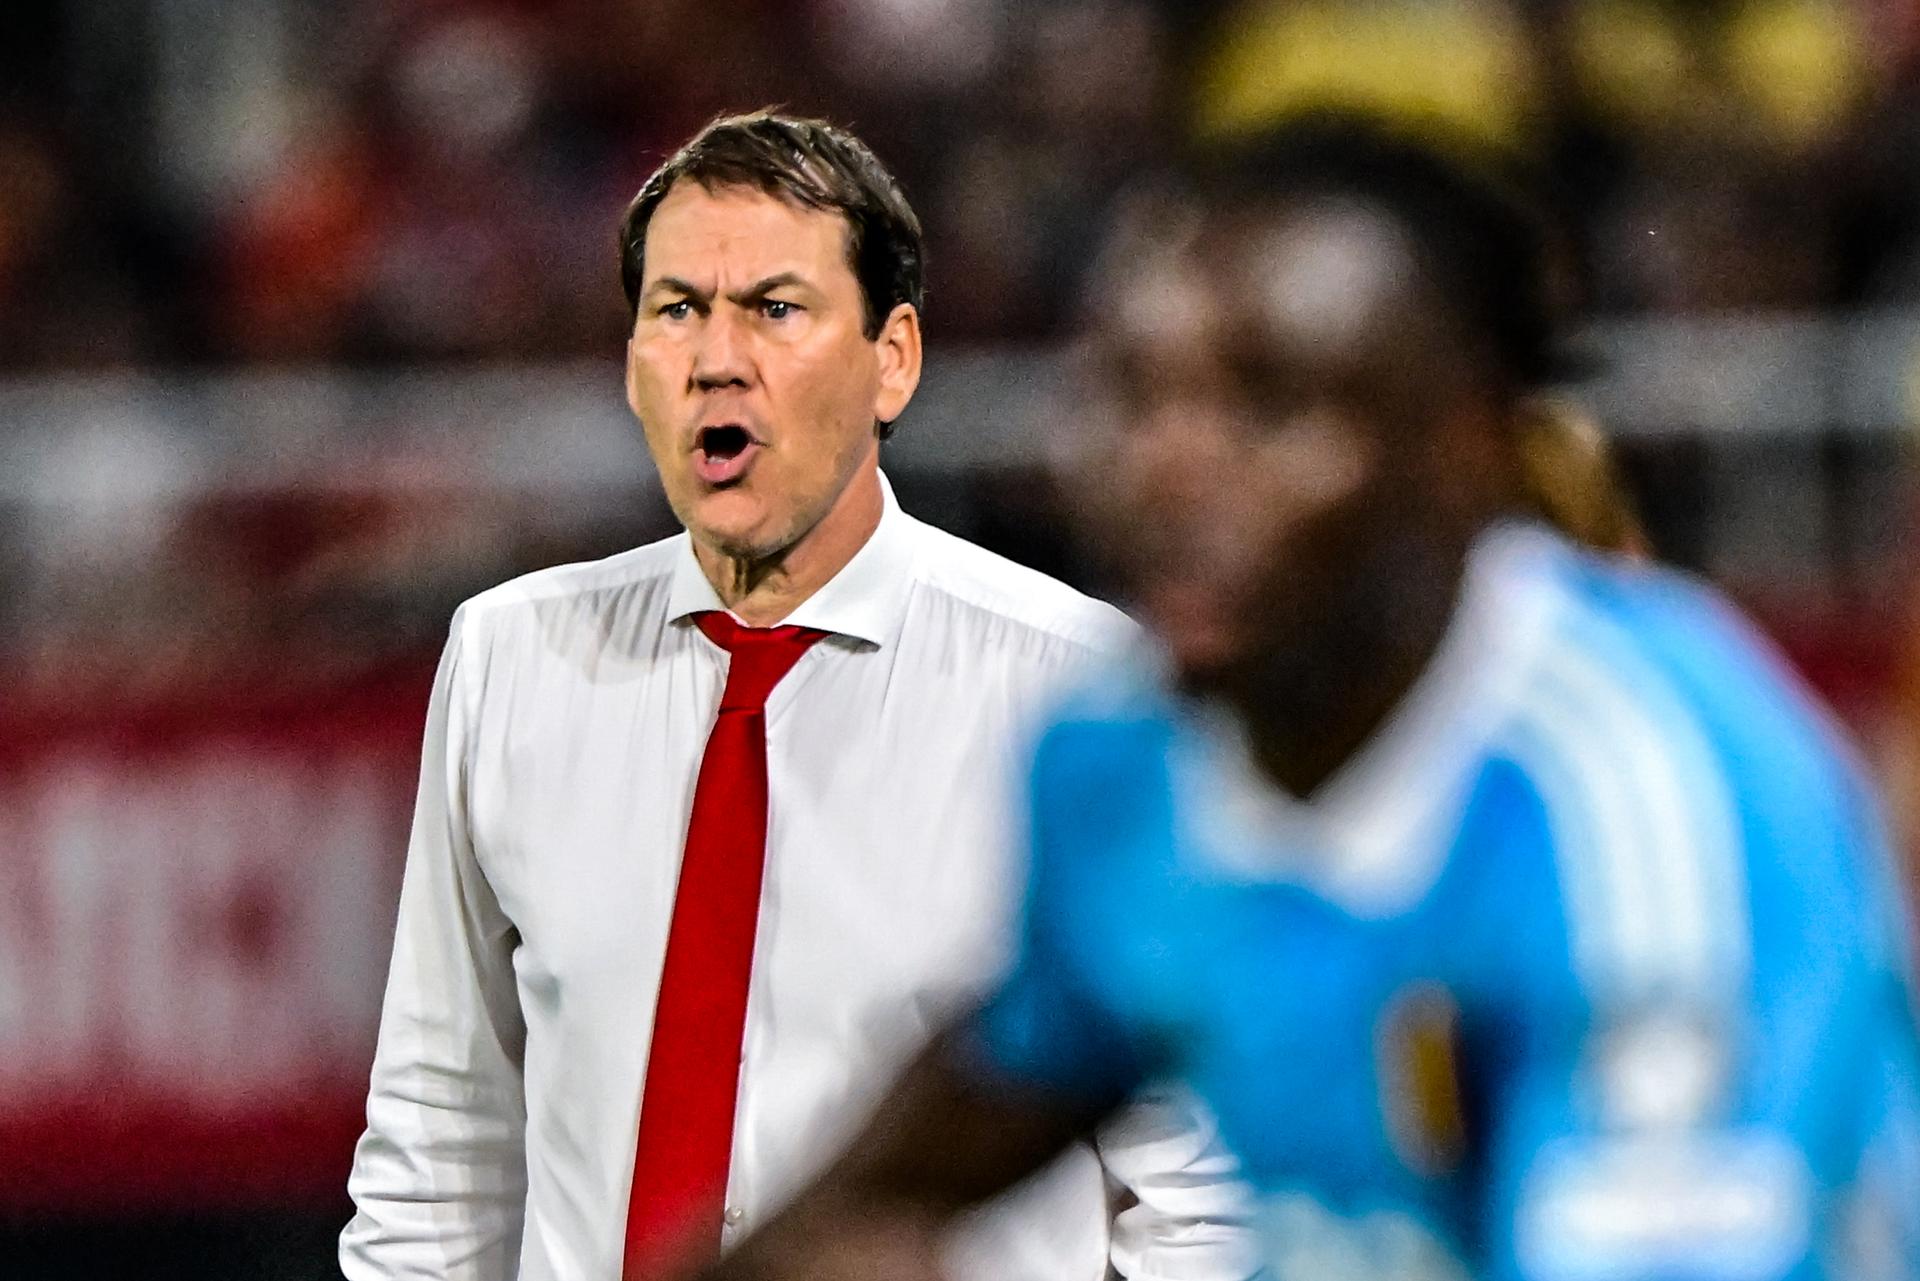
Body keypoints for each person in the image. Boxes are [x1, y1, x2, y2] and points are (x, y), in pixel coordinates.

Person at [692, 114, 1920, 1281]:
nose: (1166, 467)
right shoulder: (1122, 759)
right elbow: (982, 1107)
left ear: (1472, 446)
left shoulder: (1645, 808)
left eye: (1269, 406)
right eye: (1128, 393)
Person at [338, 111, 1255, 1281]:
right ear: (632, 368)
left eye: (774, 309)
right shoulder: (507, 659)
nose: (717, 357)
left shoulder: (1079, 692)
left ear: (895, 360)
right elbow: (438, 1149)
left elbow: (1193, 1197)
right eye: (677, 310)